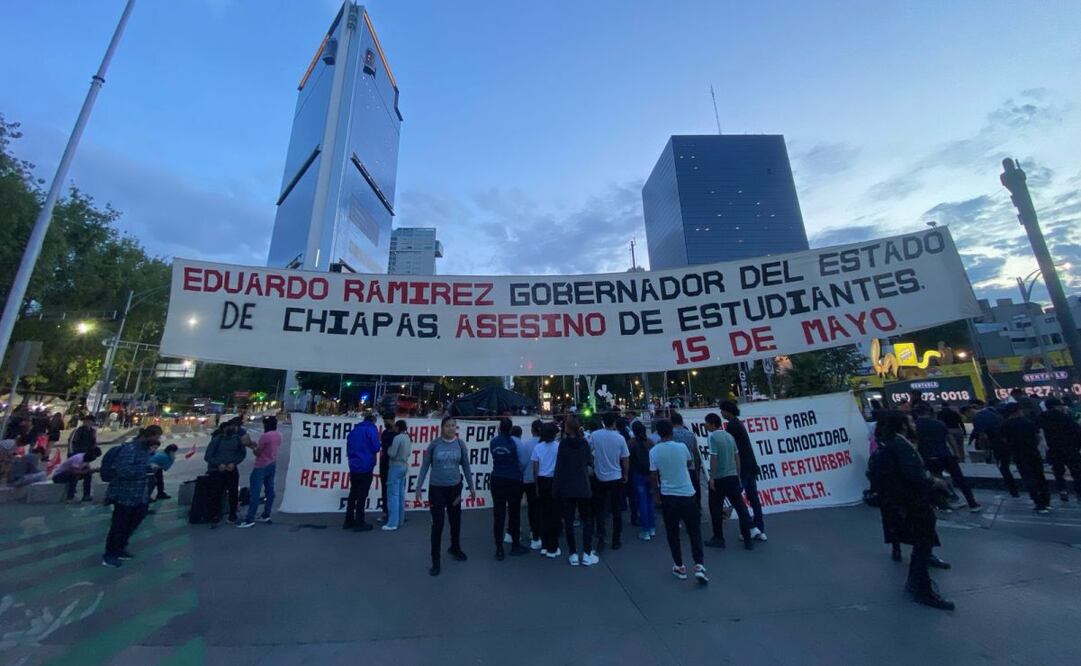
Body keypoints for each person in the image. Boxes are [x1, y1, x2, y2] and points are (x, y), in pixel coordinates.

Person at [871, 411, 954, 610]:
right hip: (913, 503)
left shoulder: (891, 445)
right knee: (922, 545)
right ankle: (922, 589)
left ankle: (916, 584)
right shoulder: (901, 446)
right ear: (902, 426)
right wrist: (933, 481)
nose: (914, 424)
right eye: (910, 421)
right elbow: (913, 475)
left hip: (904, 503)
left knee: (921, 544)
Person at [415, 416, 476, 576]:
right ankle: (435, 561)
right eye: (448, 426)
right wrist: (419, 486)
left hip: (454, 489)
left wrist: (471, 486)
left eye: (453, 426)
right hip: (437, 490)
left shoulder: (460, 444)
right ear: (442, 428)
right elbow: (425, 466)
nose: (451, 428)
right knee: (438, 525)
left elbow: (466, 466)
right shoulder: (434, 445)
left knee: (455, 521)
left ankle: (455, 548)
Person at [650, 419, 708, 584]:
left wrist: (656, 495)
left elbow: (653, 476)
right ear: (672, 431)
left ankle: (679, 565)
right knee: (694, 531)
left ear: (658, 433)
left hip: (668, 495)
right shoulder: (682, 447)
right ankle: (699, 564)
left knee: (673, 533)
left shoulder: (654, 451)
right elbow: (689, 462)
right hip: (687, 493)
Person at [102, 425, 162, 568]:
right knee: (119, 525)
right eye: (156, 437)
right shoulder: (130, 449)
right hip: (125, 494)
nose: (157, 441)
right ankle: (110, 554)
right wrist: (147, 469)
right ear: (148, 436)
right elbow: (124, 470)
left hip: (139, 495)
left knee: (133, 523)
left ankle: (120, 547)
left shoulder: (145, 450)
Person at [913, 405, 981, 512]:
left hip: (929, 457)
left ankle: (946, 503)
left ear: (916, 413)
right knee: (960, 479)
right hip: (946, 454)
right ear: (929, 412)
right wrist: (957, 453)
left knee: (937, 480)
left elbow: (915, 444)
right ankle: (972, 503)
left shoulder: (915, 426)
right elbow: (950, 439)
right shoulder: (939, 423)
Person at [703, 413, 753, 549]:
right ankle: (747, 537)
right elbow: (737, 456)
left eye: (706, 423)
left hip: (720, 478)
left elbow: (714, 458)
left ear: (712, 424)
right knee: (740, 508)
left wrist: (712, 477)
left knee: (715, 508)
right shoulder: (729, 436)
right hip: (732, 477)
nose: (705, 425)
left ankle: (719, 538)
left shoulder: (713, 437)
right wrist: (737, 475)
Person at [720, 401, 766, 542]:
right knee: (753, 498)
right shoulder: (738, 423)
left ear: (727, 411)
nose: (721, 413)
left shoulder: (732, 426)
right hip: (750, 465)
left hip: (743, 467)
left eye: (722, 410)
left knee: (737, 499)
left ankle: (750, 529)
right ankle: (759, 529)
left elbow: (730, 448)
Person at [553, 416, 597, 566]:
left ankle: (573, 553)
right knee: (586, 520)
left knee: (569, 520)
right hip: (582, 485)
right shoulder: (583, 443)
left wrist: (556, 487)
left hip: (567, 486)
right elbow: (590, 462)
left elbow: (559, 467)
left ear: (566, 428)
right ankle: (587, 552)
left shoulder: (563, 445)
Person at [590, 412, 630, 552]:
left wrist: (594, 464)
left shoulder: (595, 435)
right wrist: (625, 474)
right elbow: (625, 459)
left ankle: (601, 536)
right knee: (616, 510)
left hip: (600, 477)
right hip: (616, 477)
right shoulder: (620, 438)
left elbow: (589, 450)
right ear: (614, 423)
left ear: (603, 422)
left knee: (600, 510)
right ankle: (616, 539)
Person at [1000, 403, 1051, 513]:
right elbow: (1038, 436)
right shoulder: (1027, 422)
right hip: (1033, 452)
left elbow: (1004, 440)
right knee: (1040, 476)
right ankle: (1046, 501)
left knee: (1028, 478)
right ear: (1018, 410)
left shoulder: (1005, 425)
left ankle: (1038, 502)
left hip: (1018, 454)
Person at [490, 417, 528, 559]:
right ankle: (515, 546)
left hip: (497, 478)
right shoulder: (514, 443)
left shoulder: (493, 442)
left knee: (498, 515)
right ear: (511, 429)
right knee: (514, 513)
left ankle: (499, 549)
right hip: (512, 480)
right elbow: (523, 461)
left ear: (500, 428)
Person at [239, 415, 283, 528]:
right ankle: (266, 514)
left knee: (255, 492)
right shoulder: (278, 435)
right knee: (269, 490)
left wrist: (252, 447)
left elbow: (258, 453)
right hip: (272, 464)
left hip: (261, 466)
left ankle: (250, 519)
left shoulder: (265, 436)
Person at [971, 399, 1018, 497]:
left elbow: (983, 436)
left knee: (1004, 467)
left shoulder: (978, 418)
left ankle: (1013, 491)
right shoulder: (993, 413)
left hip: (998, 445)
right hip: (1010, 442)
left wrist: (983, 447)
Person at [204, 419, 246, 524]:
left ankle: (232, 513)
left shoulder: (237, 440)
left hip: (232, 470)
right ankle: (215, 514)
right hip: (218, 471)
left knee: (233, 492)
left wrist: (234, 463)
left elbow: (242, 454)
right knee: (217, 493)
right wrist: (218, 464)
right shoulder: (216, 441)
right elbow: (208, 456)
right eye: (229, 428)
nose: (231, 430)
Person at [345, 413, 382, 531]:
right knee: (362, 495)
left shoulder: (354, 431)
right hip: (366, 465)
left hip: (354, 465)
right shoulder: (371, 430)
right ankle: (359, 522)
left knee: (353, 493)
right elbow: (376, 447)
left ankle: (348, 520)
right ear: (373, 421)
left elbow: (349, 448)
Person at [1040, 397, 1081, 502]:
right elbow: (1077, 431)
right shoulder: (1064, 417)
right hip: (1069, 448)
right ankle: (1079, 494)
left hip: (1053, 449)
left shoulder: (1042, 417)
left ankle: (1063, 491)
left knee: (1058, 472)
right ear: (1057, 406)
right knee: (1076, 472)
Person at [531, 422, 562, 558]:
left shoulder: (538, 447)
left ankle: (544, 545)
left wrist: (537, 484)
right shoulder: (558, 447)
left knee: (543, 513)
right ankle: (553, 547)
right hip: (554, 480)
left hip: (542, 480)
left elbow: (535, 468)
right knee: (554, 514)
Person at [516, 420, 543, 549]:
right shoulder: (545, 444)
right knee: (540, 507)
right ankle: (538, 531)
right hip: (542, 479)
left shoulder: (526, 445)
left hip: (527, 479)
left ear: (532, 430)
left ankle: (533, 531)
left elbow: (522, 462)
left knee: (532, 507)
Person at [382, 419, 412, 531]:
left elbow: (392, 453)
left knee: (392, 495)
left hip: (395, 466)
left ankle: (392, 522)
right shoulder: (408, 438)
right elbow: (408, 453)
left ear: (398, 427)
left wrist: (388, 449)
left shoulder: (397, 438)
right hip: (404, 465)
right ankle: (400, 519)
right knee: (400, 494)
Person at [628, 421, 656, 540]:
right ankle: (652, 527)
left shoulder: (631, 443)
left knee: (641, 501)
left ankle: (645, 530)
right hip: (650, 473)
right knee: (650, 500)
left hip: (637, 474)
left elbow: (627, 458)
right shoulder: (650, 442)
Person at [669, 412, 704, 504]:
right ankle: (697, 505)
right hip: (691, 466)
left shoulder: (670, 435)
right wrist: (697, 469)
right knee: (693, 488)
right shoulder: (691, 434)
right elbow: (696, 453)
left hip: (677, 468)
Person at [616, 417, 638, 527]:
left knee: (623, 486)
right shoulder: (628, 434)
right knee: (628, 487)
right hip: (629, 464)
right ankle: (625, 504)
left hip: (621, 462)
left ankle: (622, 503)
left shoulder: (620, 437)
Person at [378, 413, 396, 525]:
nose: (385, 423)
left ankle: (393, 513)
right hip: (384, 462)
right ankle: (385, 512)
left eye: (387, 421)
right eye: (384, 421)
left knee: (392, 489)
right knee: (384, 488)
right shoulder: (385, 433)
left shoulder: (397, 434)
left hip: (393, 464)